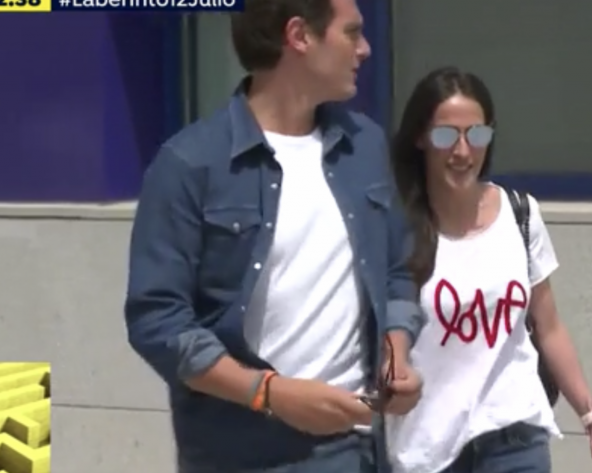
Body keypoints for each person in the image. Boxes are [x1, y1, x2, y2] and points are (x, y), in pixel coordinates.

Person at [123, 0, 424, 471]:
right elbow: (157, 321)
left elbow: (395, 272)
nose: (365, 49)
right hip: (237, 454)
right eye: (351, 32)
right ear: (299, 36)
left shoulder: (364, 146)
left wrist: (395, 356)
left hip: (353, 449)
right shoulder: (189, 163)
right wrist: (268, 393)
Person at [384, 66, 592, 473]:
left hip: (515, 437)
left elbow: (548, 327)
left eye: (476, 135)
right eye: (446, 136)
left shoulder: (519, 213)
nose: (463, 151)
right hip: (428, 449)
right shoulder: (395, 229)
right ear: (420, 138)